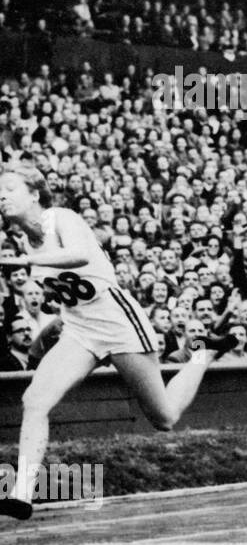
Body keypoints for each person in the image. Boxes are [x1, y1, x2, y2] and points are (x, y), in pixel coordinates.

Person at [0, 163, 234, 521]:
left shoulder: (59, 218)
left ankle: (203, 355)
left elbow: (80, 255)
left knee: (165, 418)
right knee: (34, 399)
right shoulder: (23, 243)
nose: (2, 196)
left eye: (10, 188)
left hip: (119, 321)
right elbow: (62, 290)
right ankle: (23, 493)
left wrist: (26, 261)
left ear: (34, 193)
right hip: (79, 330)